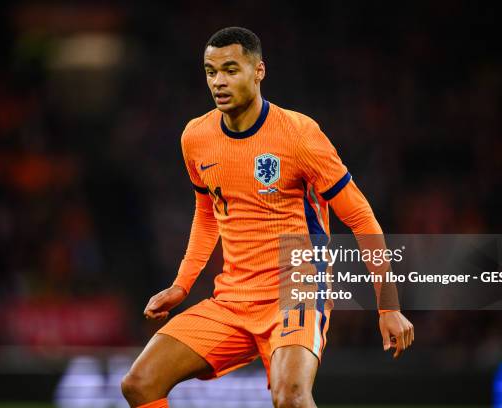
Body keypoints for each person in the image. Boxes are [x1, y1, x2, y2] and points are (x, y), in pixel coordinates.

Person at [121, 26, 414, 408]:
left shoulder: (299, 135)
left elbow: (361, 219)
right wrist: (182, 285)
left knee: (290, 396)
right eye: (211, 72)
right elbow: (208, 213)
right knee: (139, 383)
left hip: (297, 293)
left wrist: (388, 306)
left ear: (259, 71)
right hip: (232, 298)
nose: (219, 82)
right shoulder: (196, 137)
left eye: (231, 69)